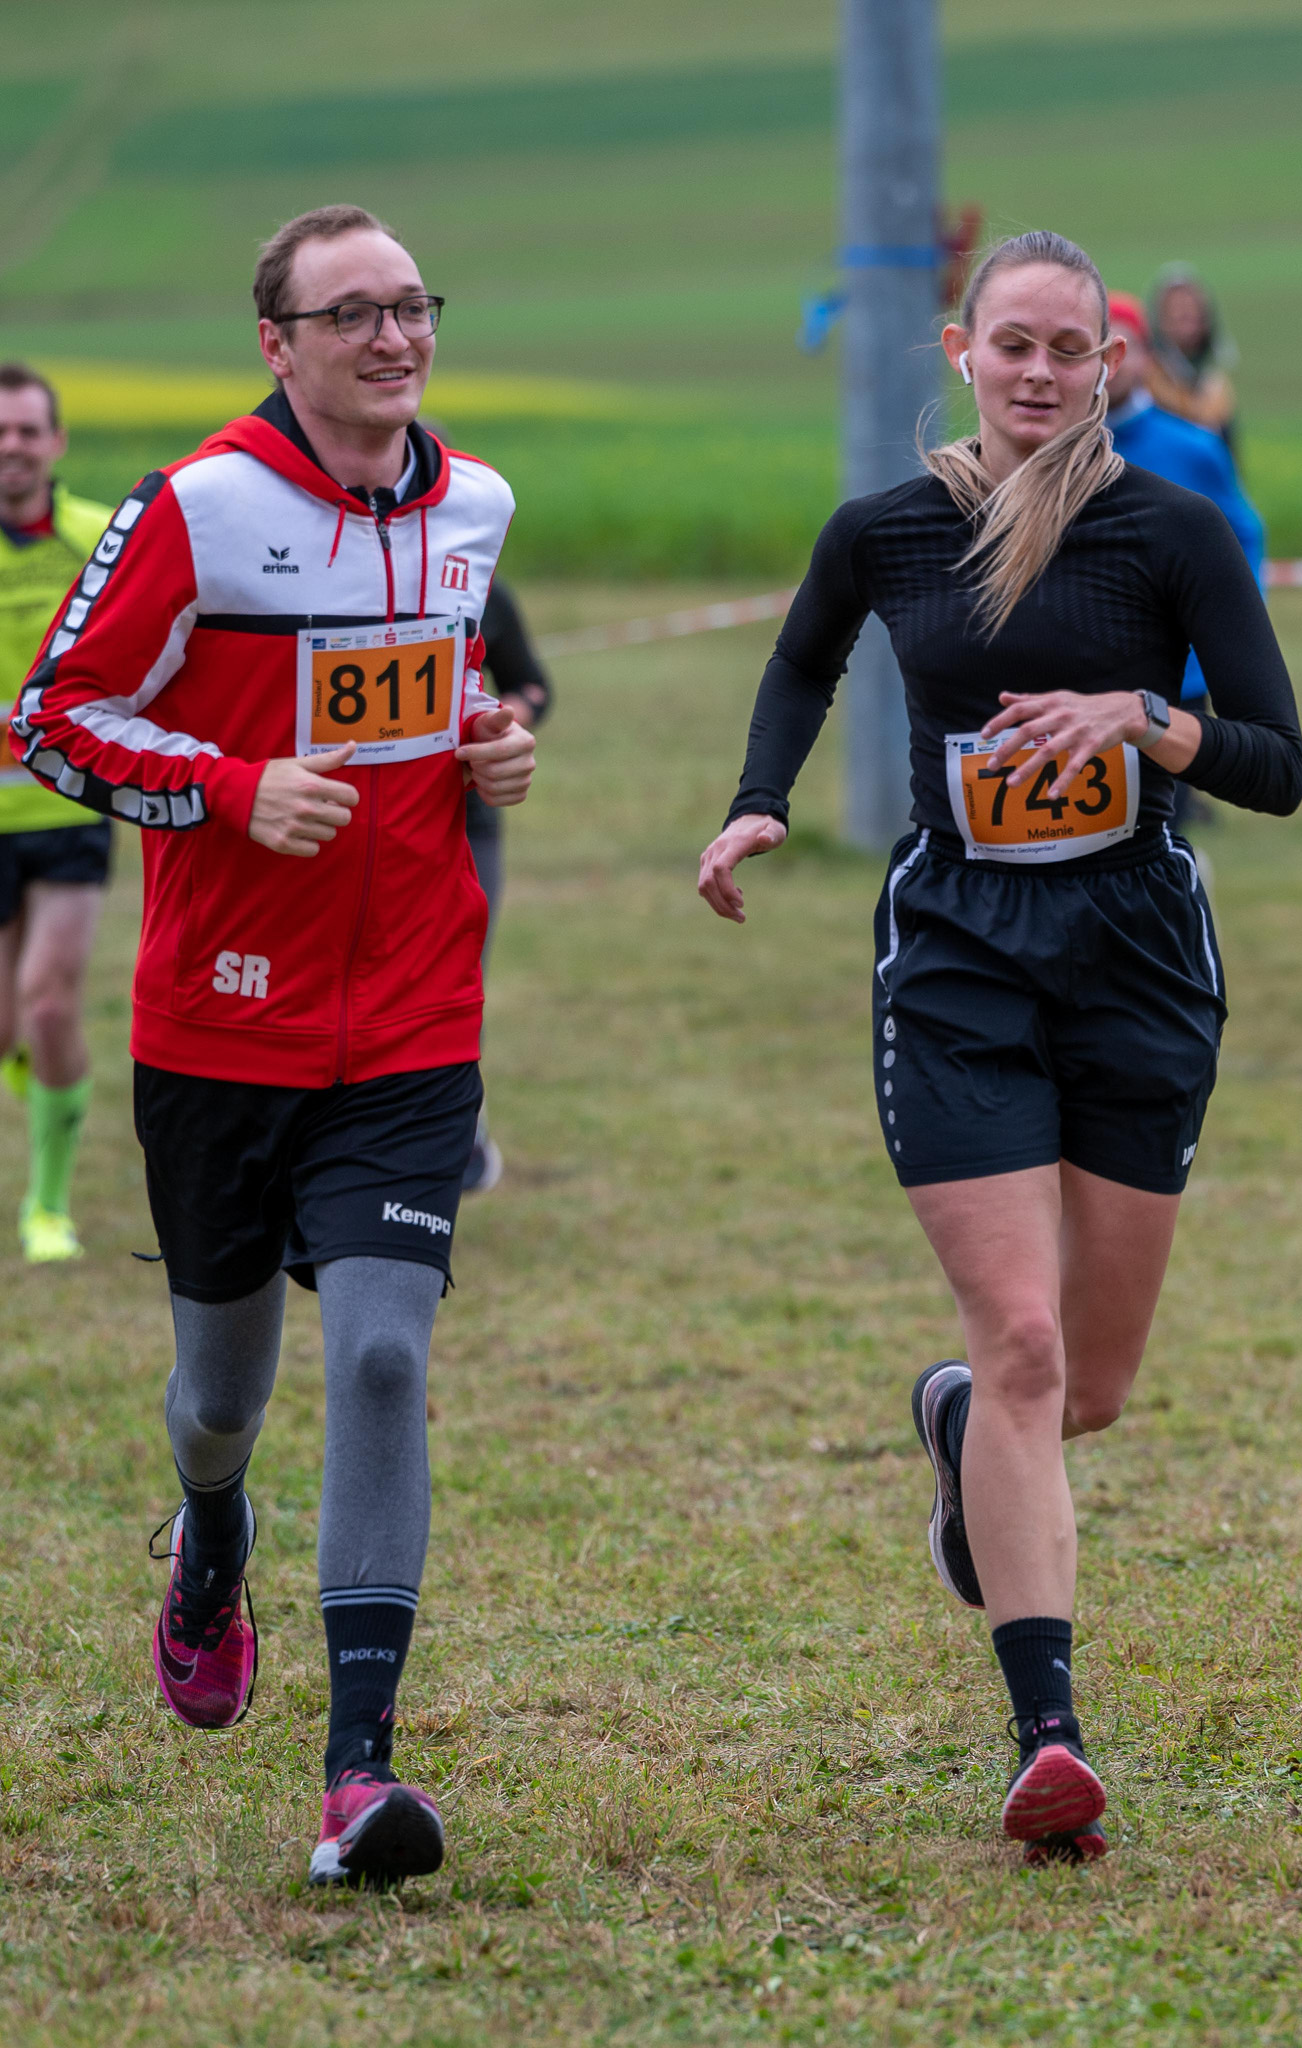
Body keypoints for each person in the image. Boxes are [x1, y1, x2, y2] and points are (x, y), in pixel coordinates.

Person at [698, 231, 1302, 1863]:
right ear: (961, 350)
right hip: (957, 955)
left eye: (1065, 348)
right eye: (1009, 344)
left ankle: (960, 1422)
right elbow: (803, 656)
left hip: (1135, 957)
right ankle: (1048, 1738)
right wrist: (757, 801)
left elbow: (1275, 763)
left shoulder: (1168, 530)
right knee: (1026, 1338)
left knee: (1080, 1388)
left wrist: (1142, 721)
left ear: (1104, 364)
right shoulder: (886, 528)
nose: (1036, 371)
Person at [9, 204, 535, 1887]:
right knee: (216, 1400)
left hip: (412, 1019)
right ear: (277, 344)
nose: (394, 336)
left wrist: (486, 743)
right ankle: (211, 1529)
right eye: (351, 313)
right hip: (221, 1027)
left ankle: (355, 1776)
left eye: (411, 305)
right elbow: (51, 719)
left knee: (381, 1358)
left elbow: (436, 693)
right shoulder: (201, 506)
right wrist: (231, 789)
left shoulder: (473, 506)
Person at [0, 364, 113, 1262]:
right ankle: (36, 1075)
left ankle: (47, 1206)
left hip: (71, 810)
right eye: (0, 432)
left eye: (28, 430)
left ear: (57, 442)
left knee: (48, 1003)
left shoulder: (99, 539)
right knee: (8, 1024)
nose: (13, 447)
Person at [1105, 292, 1266, 837]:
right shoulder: (1054, 449)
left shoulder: (1193, 447)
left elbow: (1244, 534)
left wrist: (1235, 623)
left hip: (1182, 667)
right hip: (1091, 666)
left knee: (1164, 821)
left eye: (1123, 348)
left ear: (1147, 357)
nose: (1111, 365)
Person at [461, 578, 553, 1194]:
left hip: (467, 824)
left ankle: (462, 1138)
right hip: (349, 818)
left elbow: (534, 686)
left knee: (458, 982)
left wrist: (504, 720)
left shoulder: (483, 589)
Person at [1145, 264, 1239, 453]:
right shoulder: (1147, 384)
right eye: (1175, 309)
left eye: (1191, 308)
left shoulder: (1216, 387)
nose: (1184, 314)